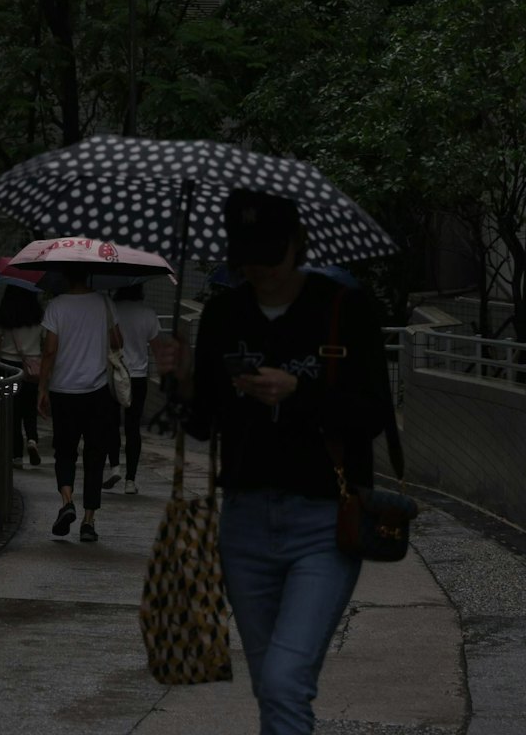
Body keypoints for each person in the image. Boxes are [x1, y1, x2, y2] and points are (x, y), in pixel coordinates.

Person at [153, 189, 395, 735]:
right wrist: (184, 376)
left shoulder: (342, 308)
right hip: (244, 521)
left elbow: (373, 412)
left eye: (269, 255)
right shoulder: (225, 313)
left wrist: (299, 392)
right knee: (270, 685)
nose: (259, 270)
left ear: (297, 243)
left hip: (324, 522)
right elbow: (203, 422)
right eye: (247, 257)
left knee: (286, 681)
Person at [37, 273, 123, 543]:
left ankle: (67, 502)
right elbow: (118, 342)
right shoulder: (105, 303)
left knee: (65, 452)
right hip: (98, 392)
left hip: (63, 391)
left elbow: (49, 350)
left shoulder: (56, 306)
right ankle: (88, 521)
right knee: (95, 455)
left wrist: (42, 388)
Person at [107, 284, 161, 494]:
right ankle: (130, 480)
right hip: (138, 377)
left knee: (111, 423)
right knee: (133, 428)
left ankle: (114, 467)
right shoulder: (148, 314)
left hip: (114, 374)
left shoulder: (111, 309)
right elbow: (156, 348)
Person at [0, 284, 45, 467]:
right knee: (30, 407)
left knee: (12, 411)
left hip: (8, 367)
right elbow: (45, 341)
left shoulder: (5, 315)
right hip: (32, 367)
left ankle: (16, 456)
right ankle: (32, 440)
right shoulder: (39, 315)